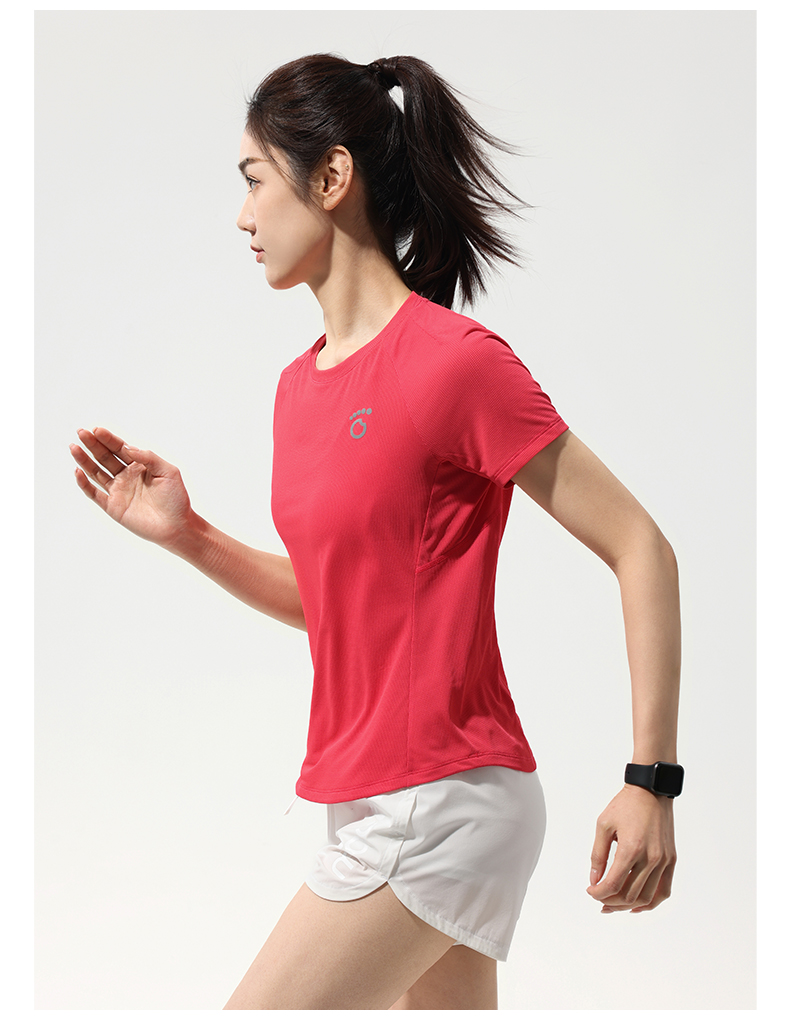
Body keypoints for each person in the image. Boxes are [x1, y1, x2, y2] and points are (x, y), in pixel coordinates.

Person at [69, 54, 682, 1011]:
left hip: (437, 800)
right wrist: (189, 536)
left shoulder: (452, 363)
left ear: (331, 177)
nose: (242, 216)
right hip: (372, 798)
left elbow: (640, 544)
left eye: (254, 180)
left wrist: (651, 781)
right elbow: (340, 603)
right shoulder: (297, 388)